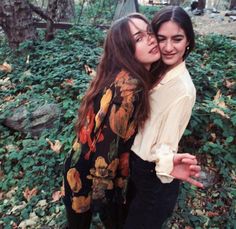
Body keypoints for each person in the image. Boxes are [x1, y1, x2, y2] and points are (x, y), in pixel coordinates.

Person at [63, 13, 164, 229]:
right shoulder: (129, 88)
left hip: (79, 163)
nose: (150, 39)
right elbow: (106, 150)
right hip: (87, 173)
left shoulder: (122, 75)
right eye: (138, 38)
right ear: (125, 49)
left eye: (148, 32)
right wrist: (106, 198)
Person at [124, 6, 203, 229]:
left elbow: (167, 143)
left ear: (188, 41)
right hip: (135, 168)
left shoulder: (183, 90)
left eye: (177, 39)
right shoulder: (155, 70)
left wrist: (166, 166)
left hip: (154, 181)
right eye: (161, 38)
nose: (168, 47)